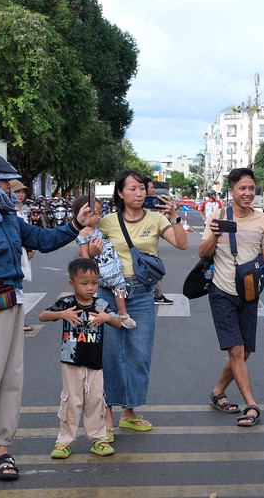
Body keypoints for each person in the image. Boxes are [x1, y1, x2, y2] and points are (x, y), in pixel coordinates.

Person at [0, 152, 95, 486]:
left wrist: (76, 224)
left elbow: (41, 239)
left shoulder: (6, 215)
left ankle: (1, 451)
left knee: (11, 382)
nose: (11, 189)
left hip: (12, 304)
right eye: (4, 182)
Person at [81, 170, 188, 440]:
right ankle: (106, 414)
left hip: (141, 294)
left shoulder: (156, 218)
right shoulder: (107, 222)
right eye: (132, 189)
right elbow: (87, 254)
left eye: (142, 188)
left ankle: (129, 413)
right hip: (108, 294)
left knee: (138, 355)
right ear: (120, 193)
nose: (139, 193)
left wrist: (174, 216)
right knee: (110, 355)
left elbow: (182, 244)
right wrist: (92, 247)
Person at [199, 168, 264, 427]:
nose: (247, 193)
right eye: (242, 188)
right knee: (236, 349)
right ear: (231, 191)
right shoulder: (217, 216)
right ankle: (251, 404)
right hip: (221, 292)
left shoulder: (262, 220)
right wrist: (216, 234)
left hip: (251, 292)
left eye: (251, 188)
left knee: (245, 353)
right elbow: (202, 252)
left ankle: (217, 391)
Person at [38, 258, 120, 459]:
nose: (90, 288)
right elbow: (42, 315)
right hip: (71, 362)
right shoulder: (66, 303)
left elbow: (118, 323)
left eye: (94, 283)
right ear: (72, 284)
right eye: (84, 283)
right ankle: (64, 441)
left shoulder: (101, 304)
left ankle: (98, 438)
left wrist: (107, 318)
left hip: (94, 363)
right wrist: (62, 315)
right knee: (71, 402)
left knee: (95, 401)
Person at [73, 196, 135, 329]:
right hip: (102, 269)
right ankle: (117, 315)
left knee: (119, 286)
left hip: (112, 266)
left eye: (100, 213)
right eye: (95, 214)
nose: (99, 217)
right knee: (116, 286)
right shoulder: (83, 232)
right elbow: (84, 255)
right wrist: (90, 273)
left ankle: (122, 314)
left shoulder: (97, 229)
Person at [9, 180, 35, 330]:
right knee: (15, 286)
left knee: (19, 286)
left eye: (22, 192)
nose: (20, 194)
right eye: (17, 191)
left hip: (23, 252)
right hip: (16, 253)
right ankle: (17, 321)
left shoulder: (21, 210)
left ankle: (18, 320)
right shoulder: (10, 211)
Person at [146, 179, 173, 305]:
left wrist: (172, 214)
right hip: (146, 248)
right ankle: (156, 295)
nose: (153, 190)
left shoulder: (153, 205)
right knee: (155, 271)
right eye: (151, 187)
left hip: (152, 246)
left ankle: (156, 294)